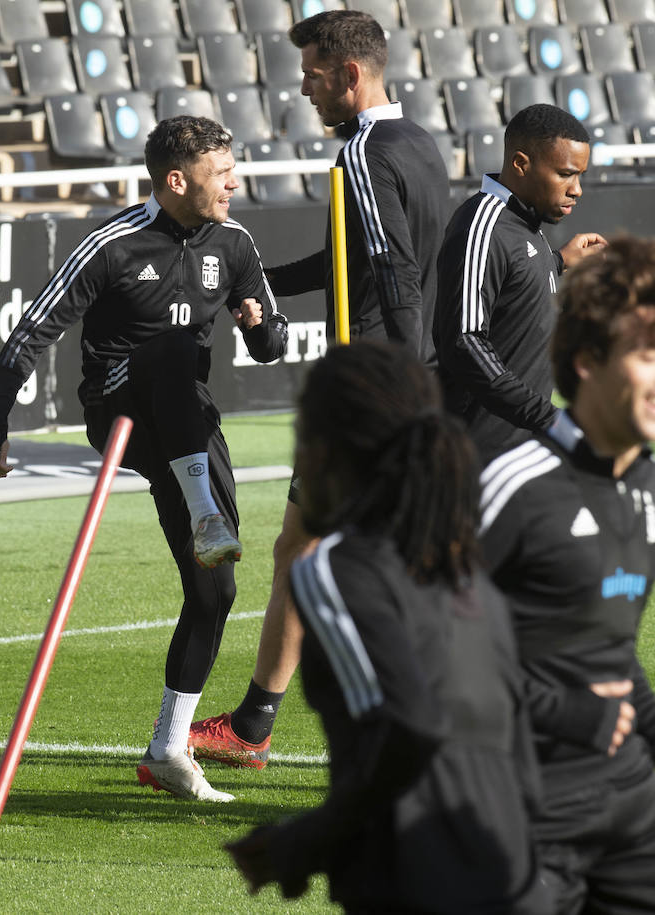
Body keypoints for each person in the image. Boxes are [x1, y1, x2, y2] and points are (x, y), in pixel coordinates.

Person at [0, 116, 288, 802]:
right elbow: (31, 332)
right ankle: (206, 511)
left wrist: (264, 330)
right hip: (116, 403)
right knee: (173, 350)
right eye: (221, 173)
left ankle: (168, 749)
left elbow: (272, 343)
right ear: (177, 181)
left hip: (187, 419)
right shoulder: (111, 244)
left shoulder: (234, 242)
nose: (234, 182)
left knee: (217, 592)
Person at [191, 8, 452, 770]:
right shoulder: (419, 144)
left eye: (310, 74)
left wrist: (406, 394)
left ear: (348, 74)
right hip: (396, 383)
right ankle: (254, 722)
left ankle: (465, 731)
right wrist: (258, 282)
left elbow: (397, 275)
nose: (301, 88)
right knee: (301, 550)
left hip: (372, 396)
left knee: (367, 566)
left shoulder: (365, 156)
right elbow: (359, 260)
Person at [223, 341, 548, 914]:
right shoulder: (465, 569)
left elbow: (413, 729)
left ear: (332, 452)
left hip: (422, 882)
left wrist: (306, 842)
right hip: (517, 877)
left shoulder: (334, 570)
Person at [479, 236, 655, 913]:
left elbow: (606, 652)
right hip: (516, 812)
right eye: (651, 355)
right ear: (588, 363)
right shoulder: (513, 487)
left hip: (624, 801)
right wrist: (564, 709)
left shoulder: (643, 479)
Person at [434, 103, 607, 463]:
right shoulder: (483, 225)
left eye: (580, 176)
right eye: (565, 174)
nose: (576, 189)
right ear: (521, 164)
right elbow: (463, 342)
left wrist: (557, 262)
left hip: (518, 455)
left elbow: (510, 288)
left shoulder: (524, 221)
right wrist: (548, 419)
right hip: (473, 462)